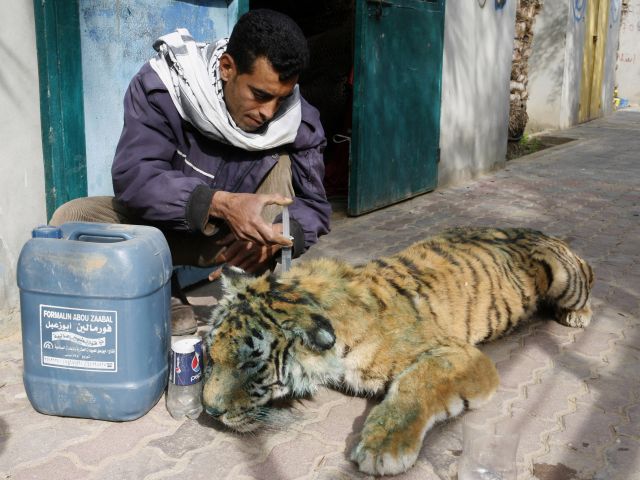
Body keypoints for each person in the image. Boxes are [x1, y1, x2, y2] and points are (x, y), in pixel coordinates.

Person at [50, 9, 332, 335]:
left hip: (236, 242)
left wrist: (284, 235)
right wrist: (220, 204)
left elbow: (315, 205)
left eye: (280, 100)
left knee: (283, 171)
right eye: (260, 95)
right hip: (159, 232)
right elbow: (134, 176)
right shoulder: (164, 87)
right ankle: (159, 288)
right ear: (228, 68)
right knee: (71, 219)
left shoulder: (298, 120)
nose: (269, 113)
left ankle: (256, 302)